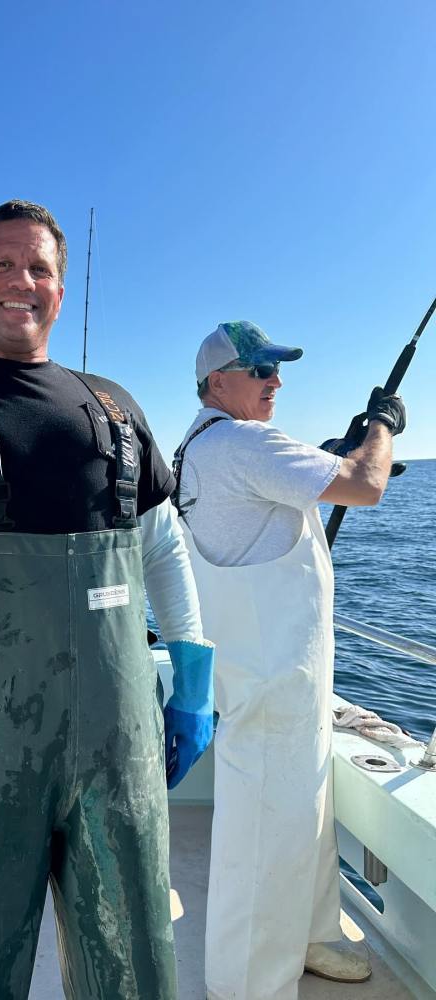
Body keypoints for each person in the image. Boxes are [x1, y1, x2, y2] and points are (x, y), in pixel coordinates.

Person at [0, 200, 215, 999]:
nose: (20, 282)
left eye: (39, 268)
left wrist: (194, 683)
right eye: (1, 265)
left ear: (60, 292)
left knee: (133, 963)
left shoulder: (115, 407)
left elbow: (162, 549)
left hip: (120, 741)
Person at [174, 321, 406, 1000]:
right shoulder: (243, 442)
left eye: (278, 370)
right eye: (260, 370)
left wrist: (336, 447)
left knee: (302, 817)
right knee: (265, 842)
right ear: (219, 381)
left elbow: (286, 483)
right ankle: (246, 984)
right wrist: (383, 426)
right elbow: (366, 483)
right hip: (272, 682)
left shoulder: (201, 447)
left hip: (273, 675)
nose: (276, 382)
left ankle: (312, 938)